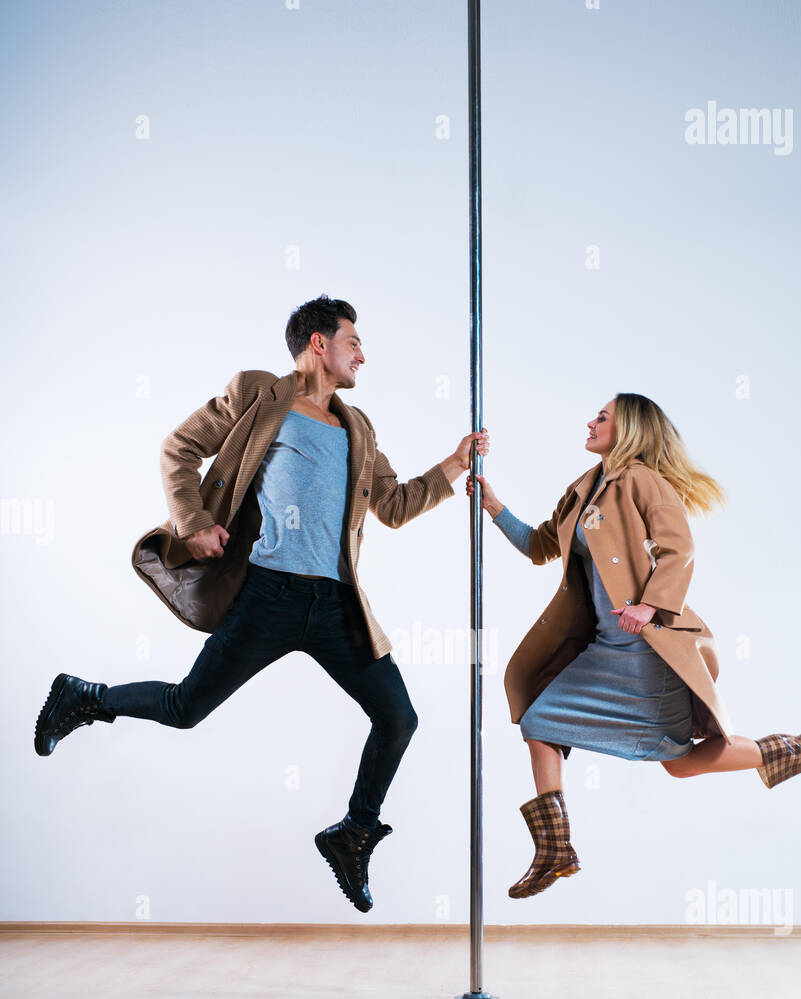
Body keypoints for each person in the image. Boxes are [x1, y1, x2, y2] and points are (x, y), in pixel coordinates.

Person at [34, 295, 488, 913]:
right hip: (268, 593)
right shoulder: (257, 394)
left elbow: (395, 505)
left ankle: (353, 835)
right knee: (184, 707)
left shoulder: (359, 427)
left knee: (399, 719)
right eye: (353, 340)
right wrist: (192, 522)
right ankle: (84, 698)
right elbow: (178, 449)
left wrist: (453, 464)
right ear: (319, 343)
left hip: (335, 606)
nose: (363, 353)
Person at [467, 392, 801, 900]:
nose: (590, 422)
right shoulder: (583, 489)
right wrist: (493, 505)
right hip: (605, 650)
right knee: (541, 722)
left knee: (675, 759)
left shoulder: (641, 480)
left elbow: (680, 548)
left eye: (602, 417)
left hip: (646, 653)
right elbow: (542, 546)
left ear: (628, 428)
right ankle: (555, 850)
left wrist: (650, 606)